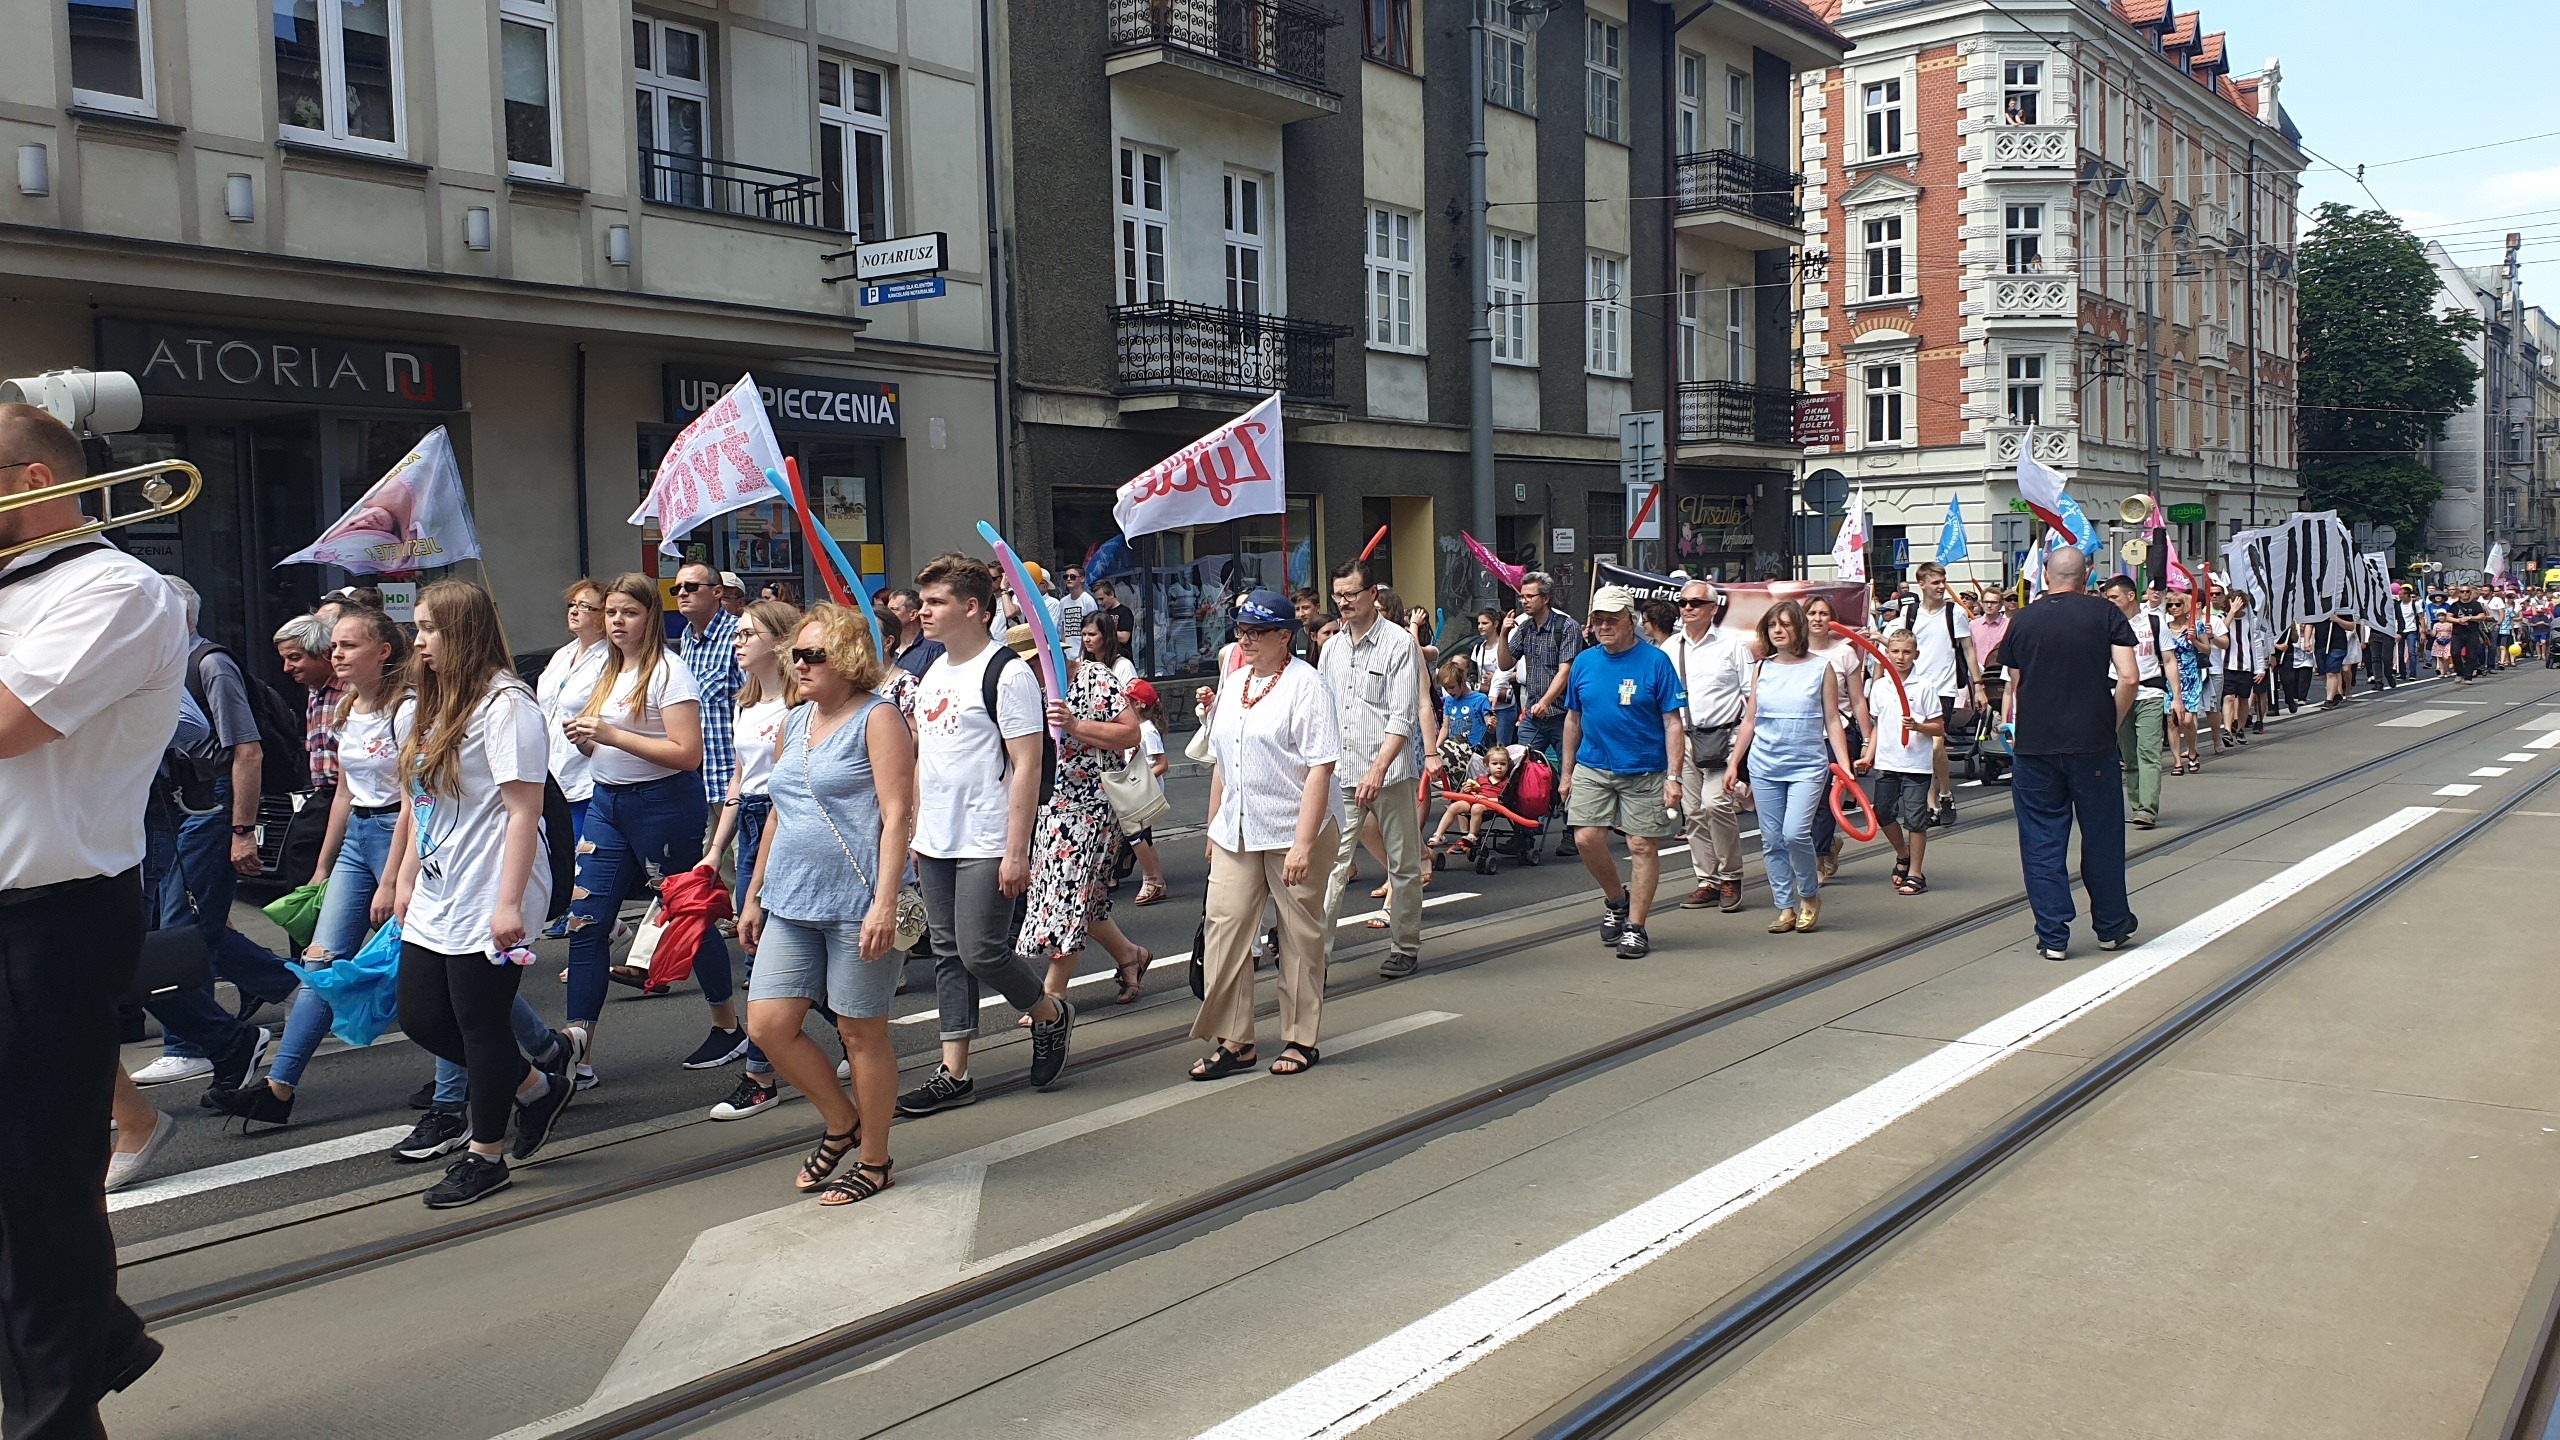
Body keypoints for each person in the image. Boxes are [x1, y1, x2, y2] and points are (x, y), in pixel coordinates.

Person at [0, 399, 188, 1435]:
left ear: (30, 486)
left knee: (32, 1190)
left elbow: (8, 728)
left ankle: (57, 1416)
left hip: (46, 918)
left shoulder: (114, 588)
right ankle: (99, 1336)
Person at [390, 580, 577, 1208]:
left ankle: (485, 1156)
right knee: (419, 1015)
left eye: (428, 629)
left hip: (494, 883)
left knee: (480, 1023)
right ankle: (535, 1087)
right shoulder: (434, 704)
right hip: (441, 885)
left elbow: (524, 812)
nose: (417, 642)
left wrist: (508, 904)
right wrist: (406, 875)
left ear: (461, 632)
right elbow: (421, 800)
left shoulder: (509, 708)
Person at [738, 603, 915, 1205]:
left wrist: (885, 902)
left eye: (814, 655)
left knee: (860, 1033)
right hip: (791, 898)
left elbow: (897, 816)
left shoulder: (878, 718)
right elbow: (780, 816)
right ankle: (843, 1121)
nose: (801, 665)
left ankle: (875, 1159)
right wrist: (755, 893)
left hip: (856, 901)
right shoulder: (793, 723)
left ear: (849, 660)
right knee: (767, 1025)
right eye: (796, 655)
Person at [895, 555, 1077, 1118]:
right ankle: (954, 1071)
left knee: (981, 951)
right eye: (922, 603)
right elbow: (925, 757)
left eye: (935, 602)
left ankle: (1048, 1014)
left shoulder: (1007, 673)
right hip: (937, 838)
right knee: (948, 954)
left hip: (986, 836)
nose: (922, 611)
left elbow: (1027, 763)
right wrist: (914, 831)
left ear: (971, 608)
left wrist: (1016, 850)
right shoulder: (933, 674)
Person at [562, 574, 742, 1074]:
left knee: (687, 912)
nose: (617, 622)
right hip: (607, 804)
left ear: (650, 617)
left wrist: (612, 736)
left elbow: (687, 755)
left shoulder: (670, 672)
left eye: (629, 613)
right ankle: (579, 1053)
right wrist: (588, 741)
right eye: (611, 613)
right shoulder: (606, 669)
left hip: (663, 805)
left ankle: (727, 1027)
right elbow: (607, 740)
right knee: (587, 923)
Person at [129, 577, 303, 1087]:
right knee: (177, 919)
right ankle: (285, 985)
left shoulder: (209, 664)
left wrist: (241, 829)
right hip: (170, 806)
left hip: (209, 804)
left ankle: (189, 1043)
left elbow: (246, 750)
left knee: (184, 923)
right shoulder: (158, 666)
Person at [1191, 590, 1342, 1079]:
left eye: (1258, 632)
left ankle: (1300, 1038)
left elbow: (1321, 768)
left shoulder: (1307, 686)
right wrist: (1214, 827)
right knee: (1226, 924)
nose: (1247, 639)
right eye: (1241, 630)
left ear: (1285, 636)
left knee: (1298, 932)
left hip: (1295, 825)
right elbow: (1222, 762)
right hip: (1238, 826)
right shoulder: (1234, 683)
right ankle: (1237, 1041)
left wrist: (1302, 843)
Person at [2000, 547, 2139, 960]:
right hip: (2091, 743)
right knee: (2102, 836)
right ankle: (2111, 927)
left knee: (2041, 839)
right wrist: (2108, 723)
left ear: (2045, 575)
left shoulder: (2023, 619)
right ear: (2088, 575)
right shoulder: (2106, 614)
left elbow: (2016, 679)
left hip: (2035, 745)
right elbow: (2129, 677)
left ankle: (2053, 935)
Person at [699, 598, 803, 1121]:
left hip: (789, 821)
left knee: (765, 952)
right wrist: (716, 850)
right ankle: (853, 1032)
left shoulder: (797, 706)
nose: (737, 642)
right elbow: (739, 781)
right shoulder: (747, 704)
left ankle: (760, 1076)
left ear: (778, 641)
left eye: (747, 633)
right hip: (753, 821)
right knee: (760, 947)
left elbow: (788, 788)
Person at [1016, 616, 1148, 1009]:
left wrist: (1075, 725)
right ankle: (1131, 957)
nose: (1032, 668)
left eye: (1035, 659)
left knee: (1069, 893)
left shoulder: (1094, 677)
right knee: (1072, 896)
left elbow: (1131, 733)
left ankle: (1053, 994)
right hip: (1049, 804)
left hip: (1092, 802)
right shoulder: (1027, 690)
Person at [1558, 585, 1687, 958]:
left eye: (1612, 619)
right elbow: (1573, 719)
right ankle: (1617, 899)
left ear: (1631, 621)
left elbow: (1672, 723)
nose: (1604, 626)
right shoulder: (1584, 662)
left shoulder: (1655, 661)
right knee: (1585, 838)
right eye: (1598, 619)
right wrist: (1566, 773)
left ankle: (1636, 926)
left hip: (1645, 768)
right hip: (1594, 764)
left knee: (1641, 845)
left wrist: (1674, 778)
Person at [1318, 561, 1426, 979]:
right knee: (1331, 867)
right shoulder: (1332, 648)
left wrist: (1378, 769)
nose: (1342, 603)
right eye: (1338, 595)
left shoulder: (1399, 644)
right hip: (1342, 773)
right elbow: (1324, 710)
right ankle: (1316, 959)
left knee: (1402, 864)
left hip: (1391, 773)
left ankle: (1405, 946)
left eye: (1350, 595)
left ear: (1372, 594)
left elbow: (1402, 716)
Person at [1728, 600, 1852, 935]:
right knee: (1771, 839)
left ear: (1798, 628)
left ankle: (1809, 896)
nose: (1778, 631)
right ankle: (1784, 906)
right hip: (1764, 764)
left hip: (1807, 765)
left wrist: (1844, 765)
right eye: (1772, 626)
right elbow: (1750, 719)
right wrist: (1734, 763)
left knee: (1794, 832)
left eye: (1785, 624)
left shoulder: (1820, 668)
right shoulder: (1762, 668)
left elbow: (1832, 720)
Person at [1669, 578, 1753, 913]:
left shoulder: (1732, 646)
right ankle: (1708, 880)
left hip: (1724, 737)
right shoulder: (1670, 648)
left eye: (1695, 603)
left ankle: (1731, 875)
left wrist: (1748, 749)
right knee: (1692, 812)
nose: (1687, 608)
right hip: (1684, 737)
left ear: (1713, 609)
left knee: (1715, 803)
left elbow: (1751, 697)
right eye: (1683, 602)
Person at [1885, 561, 1982, 821]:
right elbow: (1898, 644)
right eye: (1936, 582)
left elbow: (1968, 650)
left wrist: (1979, 686)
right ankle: (1932, 805)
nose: (1942, 587)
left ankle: (1946, 793)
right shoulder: (1910, 614)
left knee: (1936, 745)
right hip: (1916, 687)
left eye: (1944, 581)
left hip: (1944, 688)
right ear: (1923, 584)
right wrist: (1878, 640)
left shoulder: (1955, 613)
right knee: (1924, 747)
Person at [1857, 630, 1946, 895]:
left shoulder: (1924, 687)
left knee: (1915, 818)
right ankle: (1902, 854)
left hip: (1915, 764)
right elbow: (1877, 726)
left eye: (1907, 652)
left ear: (1916, 655)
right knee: (1882, 812)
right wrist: (1868, 755)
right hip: (1888, 762)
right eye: (1895, 651)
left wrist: (1919, 726)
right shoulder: (1880, 686)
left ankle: (1916, 873)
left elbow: (1939, 727)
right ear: (1887, 653)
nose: (1900, 657)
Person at [1804, 595, 1876, 880]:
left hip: (1838, 732)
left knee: (1824, 798)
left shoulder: (1845, 652)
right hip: (1803, 734)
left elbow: (1858, 699)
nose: (1818, 618)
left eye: (1824, 613)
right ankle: (1826, 843)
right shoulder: (1795, 651)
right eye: (1812, 613)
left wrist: (1868, 740)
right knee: (1804, 800)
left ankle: (1820, 856)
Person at [536, 578, 611, 847]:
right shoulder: (561, 655)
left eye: (584, 606)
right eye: (571, 604)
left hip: (583, 778)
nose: (574, 611)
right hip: (548, 773)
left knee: (578, 858)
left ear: (603, 616)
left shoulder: (609, 660)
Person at [2101, 575, 2178, 829]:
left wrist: (2177, 698)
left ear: (2130, 596)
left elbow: (2168, 660)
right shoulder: (2107, 624)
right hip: (2119, 693)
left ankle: (2147, 809)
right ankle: (2136, 804)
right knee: (2129, 754)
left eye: (2114, 597)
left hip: (2150, 694)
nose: (2109, 602)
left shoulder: (2154, 622)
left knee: (2149, 751)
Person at [674, 559, 746, 829]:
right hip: (698, 780)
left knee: (741, 868)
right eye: (677, 588)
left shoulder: (738, 634)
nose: (682, 593)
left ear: (717, 592)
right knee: (704, 866)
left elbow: (755, 704)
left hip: (734, 779)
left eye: (691, 587)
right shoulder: (686, 637)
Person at [273, 612, 342, 885]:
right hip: (321, 794)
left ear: (323, 654)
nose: (287, 669)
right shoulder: (315, 691)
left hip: (348, 797)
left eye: (294, 657)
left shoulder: (351, 691)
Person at [1496, 571, 1580, 763]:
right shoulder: (1525, 628)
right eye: (1522, 597)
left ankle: (1561, 793)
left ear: (1545, 598)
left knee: (1569, 769)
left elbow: (1565, 670)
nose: (1524, 601)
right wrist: (1503, 634)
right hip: (1533, 715)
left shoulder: (1567, 626)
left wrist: (1546, 702)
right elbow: (1505, 664)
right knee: (1520, 766)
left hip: (1563, 714)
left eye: (1529, 596)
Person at [1125, 679, 1171, 907]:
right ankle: (1156, 880)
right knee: (1144, 837)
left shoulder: (1147, 731)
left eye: (1128, 700)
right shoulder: (1134, 728)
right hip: (1136, 789)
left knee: (1137, 836)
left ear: (1140, 704)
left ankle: (1152, 880)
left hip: (1143, 791)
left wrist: (1140, 779)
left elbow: (1162, 764)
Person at [1431, 746, 1513, 853]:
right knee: (1455, 806)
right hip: (1475, 801)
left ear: (1508, 766)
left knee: (1476, 807)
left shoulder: (1506, 783)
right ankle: (1439, 834)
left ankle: (1472, 836)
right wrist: (1465, 791)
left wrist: (1487, 799)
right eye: (1495, 764)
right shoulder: (1481, 779)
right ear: (1487, 765)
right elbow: (1468, 795)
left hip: (1490, 806)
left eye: (1503, 764)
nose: (1499, 767)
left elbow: (1505, 801)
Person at [2166, 594, 2208, 773]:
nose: (2174, 607)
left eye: (2178, 604)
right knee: (2172, 720)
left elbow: (2207, 649)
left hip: (2190, 676)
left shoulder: (2197, 626)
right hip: (2170, 677)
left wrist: (2195, 640)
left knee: (2188, 720)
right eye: (2170, 604)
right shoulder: (2164, 628)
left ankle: (2192, 751)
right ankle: (2177, 762)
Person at [1055, 564, 1098, 660]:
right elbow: (1062, 628)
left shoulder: (1088, 600)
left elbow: (1093, 627)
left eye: (1073, 577)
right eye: (1066, 577)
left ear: (1082, 579)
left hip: (1083, 654)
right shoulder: (1063, 602)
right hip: (1067, 653)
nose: (1069, 579)